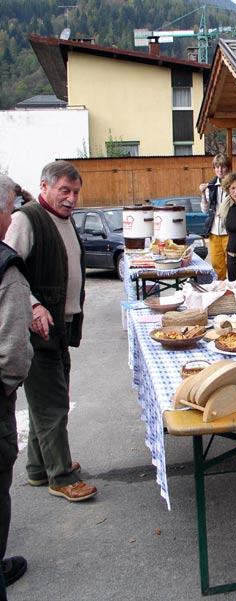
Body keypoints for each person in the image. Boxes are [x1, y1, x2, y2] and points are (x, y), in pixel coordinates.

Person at [4, 160, 97, 502]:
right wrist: (32, 305)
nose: (71, 198)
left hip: (60, 327)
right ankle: (60, 476)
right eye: (64, 191)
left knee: (45, 403)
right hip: (35, 331)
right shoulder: (25, 219)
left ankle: (38, 468)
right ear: (44, 187)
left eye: (75, 192)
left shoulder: (65, 219)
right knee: (53, 404)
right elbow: (5, 267)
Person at [0, 175, 33, 592]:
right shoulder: (6, 267)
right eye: (8, 210)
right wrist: (8, 384)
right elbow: (12, 351)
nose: (10, 219)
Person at [199, 153, 231, 280]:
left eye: (222, 167)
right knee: (217, 264)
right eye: (217, 167)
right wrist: (202, 194)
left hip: (229, 230)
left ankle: (233, 290)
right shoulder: (210, 186)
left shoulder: (233, 185)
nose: (220, 170)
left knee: (231, 263)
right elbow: (205, 210)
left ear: (227, 168)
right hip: (214, 230)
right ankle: (221, 291)